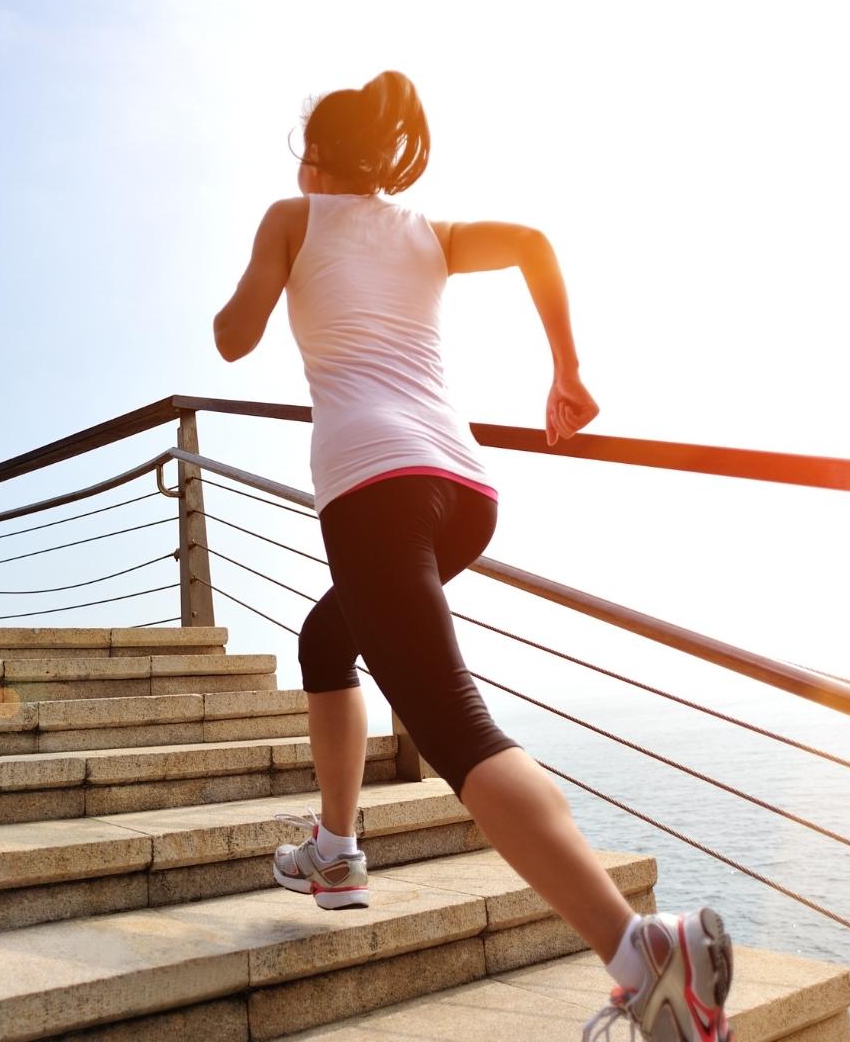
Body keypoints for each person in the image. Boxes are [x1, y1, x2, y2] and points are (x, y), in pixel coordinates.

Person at [213, 69, 734, 1042]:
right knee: (327, 641)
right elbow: (535, 243)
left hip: (372, 487)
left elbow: (234, 337)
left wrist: (254, 291)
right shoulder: (426, 233)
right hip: (464, 492)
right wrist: (567, 375)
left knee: (455, 728)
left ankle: (641, 958)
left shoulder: (294, 215)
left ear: (317, 155)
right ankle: (336, 848)